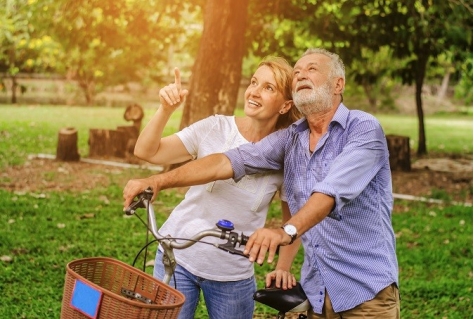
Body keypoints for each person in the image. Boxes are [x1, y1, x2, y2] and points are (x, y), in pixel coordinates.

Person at [123, 48, 400, 318]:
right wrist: (158, 180)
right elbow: (225, 162)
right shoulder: (291, 139)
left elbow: (330, 192)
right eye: (298, 72)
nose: (302, 74)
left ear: (338, 84)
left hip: (365, 292)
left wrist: (285, 232)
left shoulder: (363, 128)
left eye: (312, 69)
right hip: (316, 290)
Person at [130, 57, 302, 319]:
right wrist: (165, 109)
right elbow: (146, 151)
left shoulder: (286, 154)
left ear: (285, 105)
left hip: (232, 273)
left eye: (269, 88)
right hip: (178, 256)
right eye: (254, 82)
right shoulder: (216, 127)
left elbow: (293, 221)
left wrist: (283, 267)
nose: (254, 91)